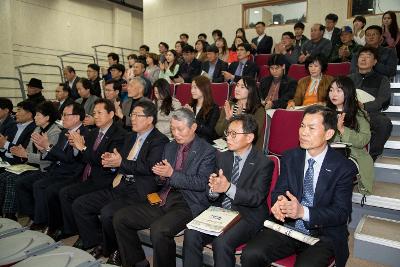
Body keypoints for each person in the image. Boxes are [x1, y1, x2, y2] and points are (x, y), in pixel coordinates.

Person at [241, 105, 358, 267]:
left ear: (329, 134)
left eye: (311, 128)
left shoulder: (343, 167)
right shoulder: (290, 156)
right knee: (251, 254)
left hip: (322, 234)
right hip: (288, 227)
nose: (303, 132)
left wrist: (303, 212)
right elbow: (279, 191)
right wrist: (279, 204)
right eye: (302, 126)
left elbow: (341, 213)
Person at [113, 108, 216, 267]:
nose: (176, 133)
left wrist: (171, 174)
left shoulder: (207, 151)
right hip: (164, 197)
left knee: (159, 230)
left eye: (180, 129)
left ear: (193, 127)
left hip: (188, 203)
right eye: (173, 129)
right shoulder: (170, 147)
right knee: (121, 217)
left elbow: (201, 183)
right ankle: (138, 263)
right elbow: (161, 180)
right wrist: (161, 176)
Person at [72, 100, 169, 263]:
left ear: (150, 119)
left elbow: (148, 167)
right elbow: (120, 162)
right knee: (80, 204)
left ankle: (118, 251)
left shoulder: (159, 140)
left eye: (138, 115)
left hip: (140, 190)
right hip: (120, 183)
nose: (133, 119)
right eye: (132, 115)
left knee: (109, 213)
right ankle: (100, 243)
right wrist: (110, 163)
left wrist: (120, 163)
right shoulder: (130, 137)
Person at [183, 114, 273, 267]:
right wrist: (214, 189)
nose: (228, 138)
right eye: (227, 133)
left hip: (247, 215)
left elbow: (256, 197)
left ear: (249, 137)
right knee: (191, 233)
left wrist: (228, 188)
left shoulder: (264, 163)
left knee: (221, 242)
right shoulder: (223, 157)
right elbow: (212, 193)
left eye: (233, 134)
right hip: (221, 212)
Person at [58, 99, 126, 244]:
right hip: (89, 176)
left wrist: (82, 148)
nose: (95, 116)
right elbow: (84, 158)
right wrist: (77, 148)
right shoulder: (93, 132)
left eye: (100, 113)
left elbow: (103, 161)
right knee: (64, 192)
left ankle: (93, 239)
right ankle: (75, 230)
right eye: (94, 113)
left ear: (111, 114)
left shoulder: (119, 134)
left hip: (105, 179)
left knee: (77, 200)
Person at [16, 102, 88, 237]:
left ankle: (50, 223)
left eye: (66, 115)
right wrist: (44, 149)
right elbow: (55, 156)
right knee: (23, 182)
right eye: (62, 115)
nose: (62, 118)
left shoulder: (84, 134)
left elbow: (70, 159)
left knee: (44, 187)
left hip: (71, 174)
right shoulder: (64, 132)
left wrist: (48, 146)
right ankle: (36, 217)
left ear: (77, 117)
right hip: (56, 169)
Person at [0, 101, 60, 221]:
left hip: (44, 168)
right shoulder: (37, 129)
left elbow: (49, 159)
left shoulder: (55, 132)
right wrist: (21, 152)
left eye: (38, 115)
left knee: (15, 180)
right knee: (3, 176)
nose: (35, 117)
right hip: (31, 165)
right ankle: (4, 211)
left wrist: (26, 155)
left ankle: (12, 215)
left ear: (47, 117)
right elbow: (27, 150)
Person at [326, 76, 375, 195]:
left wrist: (342, 130)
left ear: (348, 92)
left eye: (338, 90)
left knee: (334, 170)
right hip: (328, 154)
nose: (333, 94)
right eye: (331, 90)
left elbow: (364, 139)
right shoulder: (325, 112)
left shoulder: (359, 114)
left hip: (353, 156)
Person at [349, 46, 392, 161]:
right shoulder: (348, 79)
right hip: (349, 112)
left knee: (384, 123)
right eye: (361, 56)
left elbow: (382, 98)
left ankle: (370, 157)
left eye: (368, 56)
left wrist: (365, 106)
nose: (363, 59)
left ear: (375, 62)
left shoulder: (382, 79)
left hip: (370, 113)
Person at [216, 77, 265, 151]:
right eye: (237, 85)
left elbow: (252, 135)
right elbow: (218, 131)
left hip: (245, 148)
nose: (237, 89)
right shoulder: (230, 105)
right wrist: (227, 119)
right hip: (225, 144)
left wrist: (238, 118)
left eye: (242, 87)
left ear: (251, 90)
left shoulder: (258, 110)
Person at [184, 76, 220, 143]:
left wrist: (193, 117)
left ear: (204, 88)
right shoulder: (191, 105)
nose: (192, 91)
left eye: (195, 87)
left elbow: (209, 131)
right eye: (191, 87)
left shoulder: (214, 108)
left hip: (205, 141)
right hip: (190, 139)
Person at [0, 100, 36, 165]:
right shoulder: (13, 125)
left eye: (19, 111)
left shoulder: (34, 129)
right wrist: (2, 146)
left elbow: (23, 151)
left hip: (18, 163)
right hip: (4, 159)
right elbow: (4, 145)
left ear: (29, 114)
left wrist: (5, 144)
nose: (16, 113)